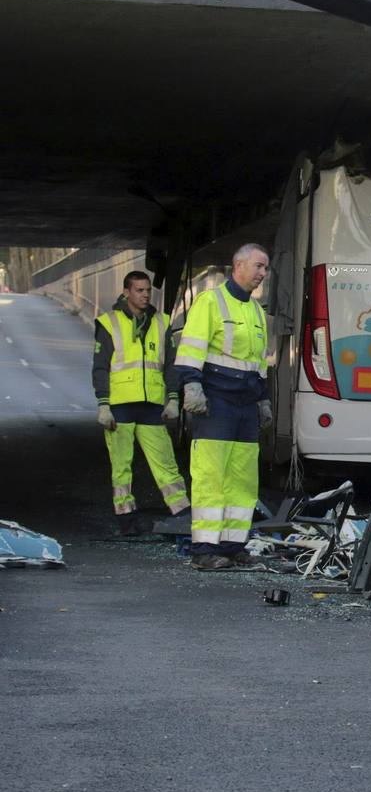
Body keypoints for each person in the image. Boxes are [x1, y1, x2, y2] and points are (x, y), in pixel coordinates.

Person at [174, 244, 272, 570]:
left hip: (245, 404)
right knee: (210, 477)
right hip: (215, 401)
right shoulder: (210, 302)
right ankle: (204, 551)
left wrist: (263, 399)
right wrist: (191, 385)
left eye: (265, 268)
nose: (262, 274)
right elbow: (191, 348)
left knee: (243, 480)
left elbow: (259, 363)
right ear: (238, 265)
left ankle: (233, 547)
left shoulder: (257, 311)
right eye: (259, 266)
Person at [92, 270, 189, 535]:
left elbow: (171, 364)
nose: (145, 295)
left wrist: (172, 399)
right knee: (121, 467)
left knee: (166, 465)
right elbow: (100, 367)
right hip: (120, 406)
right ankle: (127, 520)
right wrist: (103, 404)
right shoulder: (108, 323)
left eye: (147, 290)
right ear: (126, 292)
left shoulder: (161, 322)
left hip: (152, 406)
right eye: (139, 290)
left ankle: (183, 515)